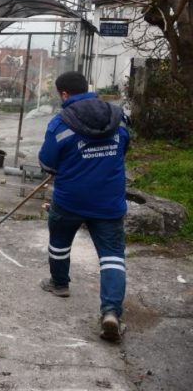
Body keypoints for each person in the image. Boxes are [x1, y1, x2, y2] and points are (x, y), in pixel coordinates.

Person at [38, 71, 130, 342]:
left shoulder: (60, 123)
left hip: (70, 199)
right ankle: (111, 312)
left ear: (64, 94)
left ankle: (60, 284)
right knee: (112, 255)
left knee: (59, 240)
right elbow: (124, 148)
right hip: (109, 201)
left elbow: (47, 163)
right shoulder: (118, 118)